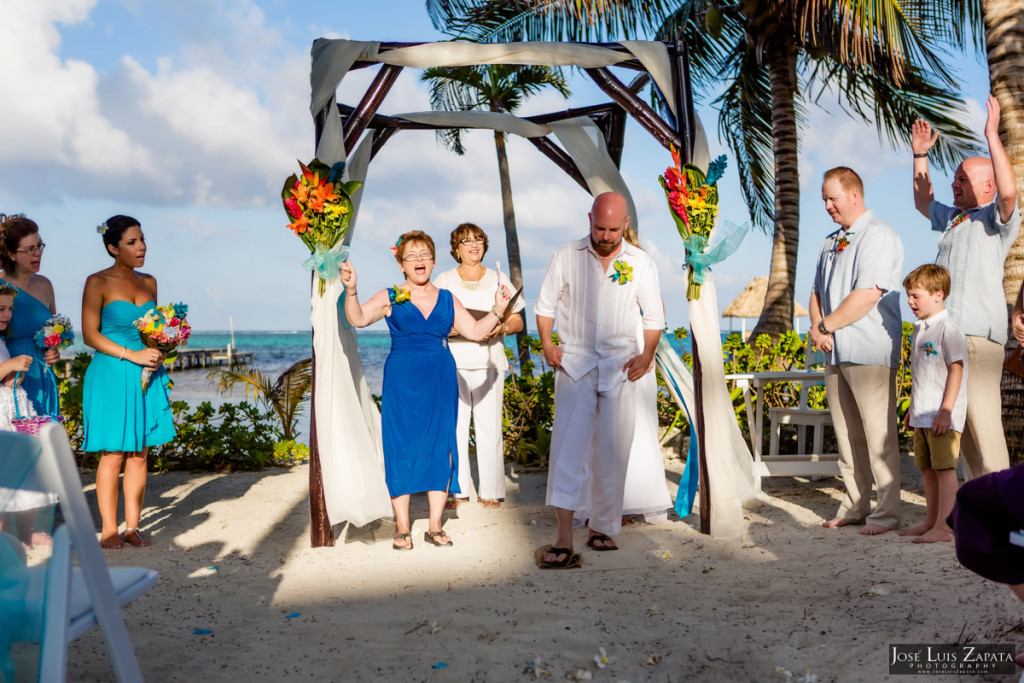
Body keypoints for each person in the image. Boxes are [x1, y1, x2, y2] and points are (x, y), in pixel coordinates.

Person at [340, 230, 511, 550]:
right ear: (401, 264)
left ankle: (435, 526)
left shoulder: (447, 298)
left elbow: (475, 331)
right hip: (402, 377)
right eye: (411, 256)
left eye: (424, 255)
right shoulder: (390, 296)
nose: (419, 260)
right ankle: (402, 527)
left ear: (433, 261)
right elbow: (358, 318)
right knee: (401, 446)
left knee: (440, 444)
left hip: (440, 374)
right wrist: (352, 290)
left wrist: (499, 309)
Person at [534, 192, 663, 568]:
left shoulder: (641, 262)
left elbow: (654, 316)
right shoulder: (565, 256)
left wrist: (647, 354)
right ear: (589, 218)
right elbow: (544, 307)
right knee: (567, 452)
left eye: (612, 229)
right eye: (598, 228)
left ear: (626, 225)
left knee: (611, 452)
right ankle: (562, 536)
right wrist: (547, 343)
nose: (605, 236)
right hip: (575, 364)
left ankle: (600, 527)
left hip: (620, 368)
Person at [911, 95, 1020, 479]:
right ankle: (984, 511)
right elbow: (924, 203)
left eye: (963, 178)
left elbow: (1009, 193)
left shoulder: (995, 218)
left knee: (985, 427)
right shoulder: (955, 219)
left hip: (977, 333)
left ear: (986, 184)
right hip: (949, 335)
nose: (954, 184)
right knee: (967, 432)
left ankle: (1012, 517)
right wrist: (920, 155)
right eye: (955, 177)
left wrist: (991, 133)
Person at [810, 167, 903, 535]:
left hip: (868, 348)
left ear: (853, 195)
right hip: (834, 350)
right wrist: (819, 330)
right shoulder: (829, 241)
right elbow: (816, 290)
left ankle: (887, 513)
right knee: (847, 435)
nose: (828, 207)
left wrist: (825, 326)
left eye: (832, 199)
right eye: (824, 201)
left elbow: (867, 295)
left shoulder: (879, 236)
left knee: (878, 436)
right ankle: (854, 504)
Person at [82, 216, 176, 549]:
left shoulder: (149, 282)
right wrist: (131, 355)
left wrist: (161, 348)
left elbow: (154, 331)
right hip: (112, 372)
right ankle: (109, 528)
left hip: (147, 374)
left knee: (139, 454)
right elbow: (90, 335)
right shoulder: (97, 282)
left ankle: (132, 527)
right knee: (113, 454)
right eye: (132, 242)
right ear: (113, 247)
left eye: (142, 239)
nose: (142, 247)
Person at [433, 223, 525, 510]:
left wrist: (501, 329)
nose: (474, 245)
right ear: (456, 248)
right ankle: (457, 491)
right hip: (454, 362)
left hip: (490, 361)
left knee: (489, 428)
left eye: (479, 240)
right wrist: (456, 330)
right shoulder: (444, 280)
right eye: (467, 241)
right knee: (456, 428)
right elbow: (431, 319)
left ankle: (491, 491)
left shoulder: (499, 279)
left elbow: (518, 320)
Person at [899, 264, 967, 543]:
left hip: (942, 415)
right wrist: (912, 412)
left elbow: (957, 369)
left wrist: (946, 411)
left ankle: (945, 526)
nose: (910, 301)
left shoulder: (948, 329)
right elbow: (921, 376)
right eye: (909, 296)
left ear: (938, 295)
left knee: (944, 469)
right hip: (922, 414)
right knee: (927, 468)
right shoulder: (921, 330)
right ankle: (931, 521)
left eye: (916, 296)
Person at [0, 282, 56, 550]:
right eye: (1, 308)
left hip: (11, 410)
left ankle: (25, 531)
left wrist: (11, 376)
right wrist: (10, 365)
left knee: (21, 472)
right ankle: (5, 539)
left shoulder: (1, 338)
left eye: (10, 308)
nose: (7, 314)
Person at [0, 214, 61, 415]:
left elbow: (54, 329)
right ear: (10, 254)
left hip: (44, 372)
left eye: (39, 246)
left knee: (46, 437)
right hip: (14, 375)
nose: (38, 254)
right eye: (29, 249)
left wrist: (55, 351)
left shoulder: (45, 284)